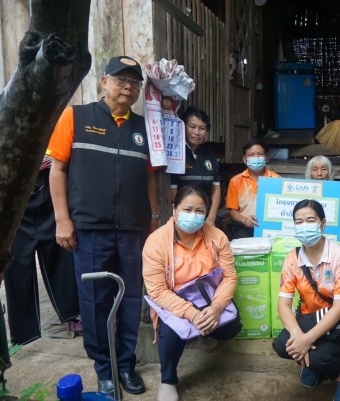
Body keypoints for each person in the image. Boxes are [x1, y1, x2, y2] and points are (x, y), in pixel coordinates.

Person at [47, 55, 159, 397]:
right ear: (104, 82)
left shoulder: (144, 128)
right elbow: (57, 170)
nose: (128, 86)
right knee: (94, 301)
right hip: (89, 230)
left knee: (130, 297)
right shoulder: (75, 117)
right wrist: (62, 220)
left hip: (133, 230)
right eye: (121, 79)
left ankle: (125, 365)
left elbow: (150, 178)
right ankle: (104, 368)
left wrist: (153, 220)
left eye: (134, 82)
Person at [143, 185, 240, 401]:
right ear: (174, 210)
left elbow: (229, 277)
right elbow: (157, 291)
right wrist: (192, 314)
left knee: (231, 326)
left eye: (199, 211)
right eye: (187, 209)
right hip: (173, 300)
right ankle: (167, 380)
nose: (193, 216)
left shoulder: (217, 237)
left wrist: (216, 307)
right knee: (170, 333)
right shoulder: (156, 242)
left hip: (207, 297)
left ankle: (203, 333)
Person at [273, 199, 340, 401]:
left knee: (318, 357)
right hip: (308, 318)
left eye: (310, 220)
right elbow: (284, 304)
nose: (304, 226)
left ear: (322, 224)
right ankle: (310, 364)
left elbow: (339, 308)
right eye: (299, 222)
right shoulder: (292, 259)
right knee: (282, 346)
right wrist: (298, 335)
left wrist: (307, 340)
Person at [3, 156, 79, 345]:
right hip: (10, 189)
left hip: (47, 180)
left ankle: (71, 313)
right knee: (16, 263)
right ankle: (23, 332)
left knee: (61, 252)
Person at [170, 107, 221, 226]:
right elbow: (172, 191)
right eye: (192, 127)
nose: (197, 132)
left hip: (206, 217)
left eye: (202, 128)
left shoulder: (209, 153)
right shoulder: (176, 153)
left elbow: (216, 188)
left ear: (206, 132)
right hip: (184, 218)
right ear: (183, 127)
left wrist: (211, 217)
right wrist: (188, 214)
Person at [225, 139, 280, 239]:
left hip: (270, 228)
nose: (256, 158)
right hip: (243, 228)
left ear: (266, 158)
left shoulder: (276, 179)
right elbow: (232, 211)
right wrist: (244, 220)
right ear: (244, 159)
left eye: (260, 154)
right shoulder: (235, 181)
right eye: (251, 155)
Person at [304, 155, 340, 225]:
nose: (319, 174)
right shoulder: (302, 190)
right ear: (310, 173)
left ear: (329, 172)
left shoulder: (337, 191)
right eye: (315, 170)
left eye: (323, 169)